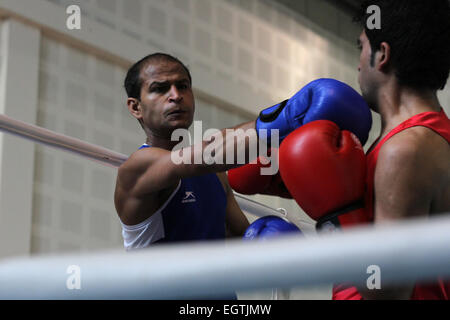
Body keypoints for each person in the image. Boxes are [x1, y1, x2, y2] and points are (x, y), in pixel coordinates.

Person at [332, 0, 450, 300]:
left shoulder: (407, 149)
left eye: (362, 48)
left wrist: (333, 221)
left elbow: (385, 287)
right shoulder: (423, 138)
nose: (359, 63)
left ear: (381, 55)